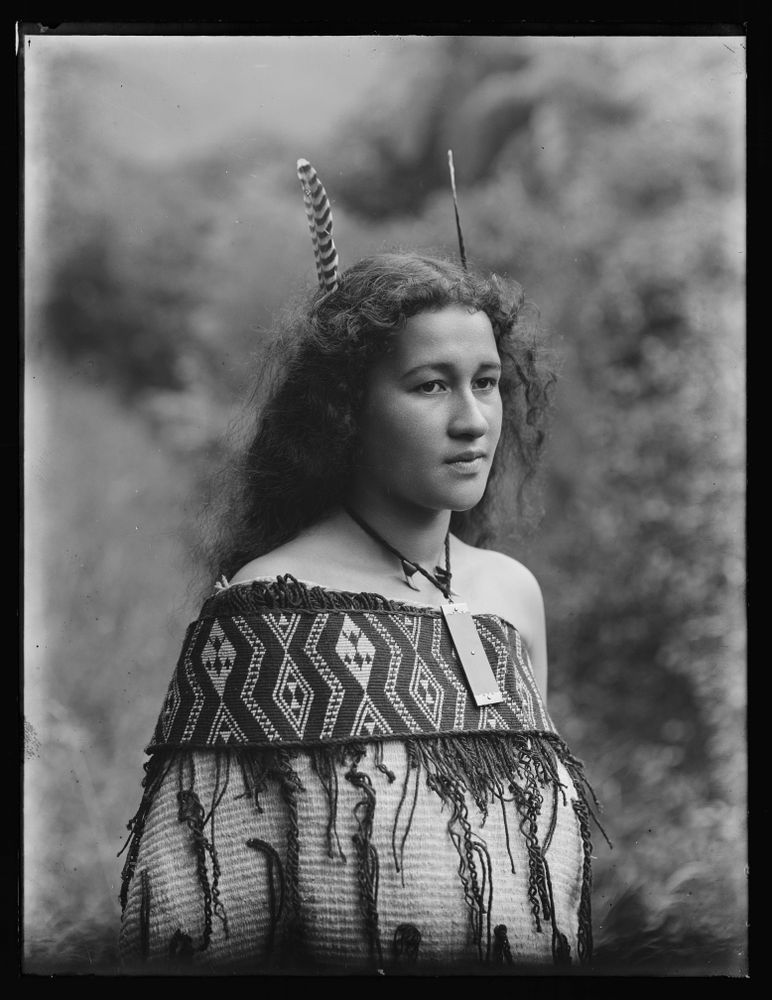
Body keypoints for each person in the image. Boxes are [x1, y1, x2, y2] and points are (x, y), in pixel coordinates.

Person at [117, 159, 605, 974]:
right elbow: (196, 926)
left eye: (486, 382)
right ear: (346, 411)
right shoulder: (263, 618)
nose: (472, 419)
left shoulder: (510, 594)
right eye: (430, 386)